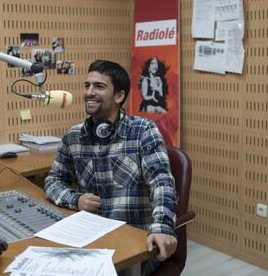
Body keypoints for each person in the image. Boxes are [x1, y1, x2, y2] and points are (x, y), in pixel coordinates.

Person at [44, 60, 178, 275]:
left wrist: (162, 227)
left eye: (99, 86)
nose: (89, 92)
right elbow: (53, 180)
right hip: (90, 239)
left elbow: (162, 182)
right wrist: (75, 199)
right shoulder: (74, 136)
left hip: (134, 246)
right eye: (87, 85)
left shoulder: (143, 131)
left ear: (119, 96)